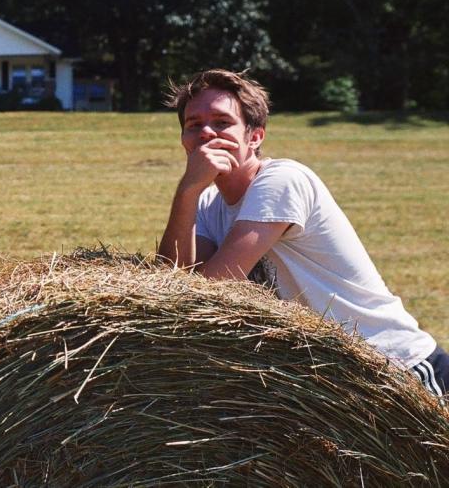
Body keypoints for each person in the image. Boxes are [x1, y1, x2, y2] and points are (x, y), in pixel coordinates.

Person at [158, 69, 447, 397]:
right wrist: (188, 191)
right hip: (335, 384)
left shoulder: (282, 180)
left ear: (255, 136)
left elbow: (211, 288)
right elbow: (172, 289)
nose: (207, 133)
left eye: (222, 122)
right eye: (194, 125)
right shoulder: (207, 201)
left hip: (398, 367)